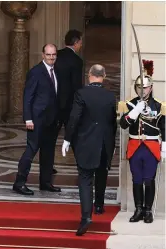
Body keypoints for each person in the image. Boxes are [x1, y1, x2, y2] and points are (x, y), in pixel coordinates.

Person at [62, 64, 117, 236]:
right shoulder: (110, 96)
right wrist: (111, 144)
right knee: (101, 173)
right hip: (104, 143)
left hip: (86, 143)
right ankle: (99, 205)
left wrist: (67, 138)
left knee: (85, 179)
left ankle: (86, 216)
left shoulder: (81, 94)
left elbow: (74, 118)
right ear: (104, 76)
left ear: (89, 75)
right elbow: (112, 123)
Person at [118, 59, 165, 224]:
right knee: (136, 179)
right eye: (139, 87)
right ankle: (138, 209)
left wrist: (164, 147)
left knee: (148, 179)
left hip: (151, 146)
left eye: (145, 87)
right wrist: (135, 111)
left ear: (151, 88)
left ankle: (148, 210)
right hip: (134, 146)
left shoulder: (159, 106)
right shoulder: (129, 104)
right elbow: (123, 125)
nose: (142, 90)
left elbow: (164, 128)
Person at [13, 44, 61, 196]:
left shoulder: (57, 71)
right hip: (37, 120)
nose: (51, 57)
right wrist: (28, 118)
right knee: (31, 151)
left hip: (51, 120)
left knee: (48, 153)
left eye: (53, 55)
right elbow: (28, 97)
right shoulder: (35, 72)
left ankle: (45, 183)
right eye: (48, 55)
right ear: (43, 55)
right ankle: (19, 183)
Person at [53, 29, 84, 174]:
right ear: (76, 43)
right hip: (70, 106)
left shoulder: (56, 55)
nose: (81, 45)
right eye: (80, 42)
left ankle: (47, 168)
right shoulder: (77, 61)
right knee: (75, 138)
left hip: (54, 104)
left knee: (50, 138)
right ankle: (82, 167)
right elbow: (77, 86)